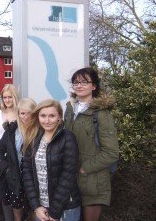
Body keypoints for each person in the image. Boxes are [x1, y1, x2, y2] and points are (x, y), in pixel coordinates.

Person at [64, 67, 119, 221]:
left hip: (93, 181)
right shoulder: (69, 110)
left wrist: (84, 168)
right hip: (71, 179)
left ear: (94, 86)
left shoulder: (101, 113)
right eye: (76, 82)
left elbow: (111, 152)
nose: (79, 85)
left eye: (84, 82)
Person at [23, 99, 81, 221]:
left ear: (59, 117)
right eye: (43, 116)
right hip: (41, 208)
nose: (47, 120)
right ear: (38, 117)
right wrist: (36, 206)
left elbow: (68, 176)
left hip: (66, 207)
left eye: (52, 116)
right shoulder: (33, 137)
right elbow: (27, 172)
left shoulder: (68, 138)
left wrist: (54, 212)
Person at [0, 98, 37, 221]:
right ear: (18, 114)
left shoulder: (41, 130)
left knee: (35, 212)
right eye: (22, 113)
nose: (26, 117)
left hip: (35, 180)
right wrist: (5, 167)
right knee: (17, 216)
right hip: (15, 179)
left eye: (29, 113)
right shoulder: (12, 130)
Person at [0, 84, 19, 220]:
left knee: (18, 193)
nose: (7, 100)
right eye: (4, 97)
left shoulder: (20, 112)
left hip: (17, 159)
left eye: (9, 97)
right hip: (1, 160)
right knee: (3, 194)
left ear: (14, 97)